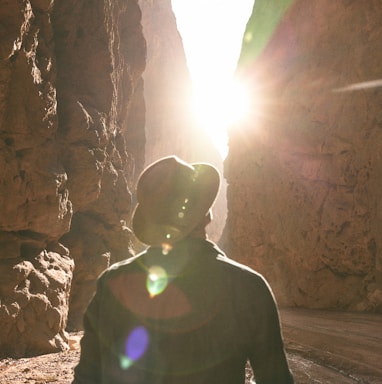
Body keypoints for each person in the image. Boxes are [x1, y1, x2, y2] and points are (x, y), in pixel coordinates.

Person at [72, 155, 294, 384]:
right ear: (206, 213)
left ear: (152, 224)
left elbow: (86, 378)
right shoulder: (249, 287)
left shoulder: (112, 283)